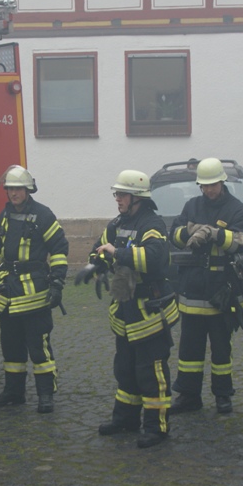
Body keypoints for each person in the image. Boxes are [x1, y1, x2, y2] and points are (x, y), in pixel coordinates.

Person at [77, 170, 180, 449]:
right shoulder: (118, 223)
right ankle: (126, 419)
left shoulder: (152, 224)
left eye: (122, 194)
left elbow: (155, 259)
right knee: (125, 368)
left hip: (150, 311)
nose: (118, 199)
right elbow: (99, 247)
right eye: (117, 194)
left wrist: (117, 253)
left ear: (137, 197)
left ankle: (157, 427)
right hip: (126, 309)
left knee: (151, 371)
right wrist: (94, 265)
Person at [167, 158, 243, 415]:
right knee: (189, 349)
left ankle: (223, 395)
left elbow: (241, 242)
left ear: (222, 182)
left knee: (221, 349)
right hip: (192, 288)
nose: (208, 190)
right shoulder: (192, 205)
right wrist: (190, 231)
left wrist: (215, 234)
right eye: (204, 186)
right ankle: (189, 395)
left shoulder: (236, 209)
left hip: (221, 290)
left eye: (212, 185)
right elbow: (174, 235)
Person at [0, 165, 69, 414]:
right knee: (11, 347)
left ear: (28, 190)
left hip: (34, 294)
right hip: (8, 294)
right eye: (10, 189)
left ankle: (46, 394)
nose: (14, 193)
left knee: (38, 346)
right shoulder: (4, 216)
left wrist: (57, 283)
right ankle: (14, 392)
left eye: (18, 189)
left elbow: (59, 249)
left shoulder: (43, 215)